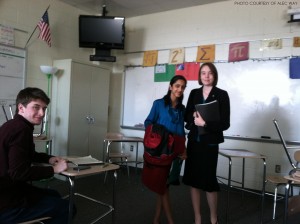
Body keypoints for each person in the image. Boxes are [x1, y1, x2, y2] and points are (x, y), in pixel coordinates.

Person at [0, 87, 69, 224]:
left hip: (7, 189)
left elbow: (27, 155)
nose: (42, 113)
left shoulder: (13, 125)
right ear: (21, 108)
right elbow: (19, 172)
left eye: (44, 108)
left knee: (54, 194)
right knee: (67, 208)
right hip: (5, 203)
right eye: (36, 107)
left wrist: (48, 158)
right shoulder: (21, 130)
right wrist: (54, 170)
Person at [182, 62, 230, 224]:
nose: (207, 76)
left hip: (209, 144)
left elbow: (225, 123)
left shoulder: (222, 94)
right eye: (203, 73)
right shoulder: (194, 93)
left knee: (209, 182)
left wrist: (205, 124)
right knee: (193, 181)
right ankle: (197, 217)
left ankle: (213, 218)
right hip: (194, 143)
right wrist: (193, 117)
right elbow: (187, 115)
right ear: (200, 76)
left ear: (214, 75)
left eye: (210, 73)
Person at [143, 75, 187, 224]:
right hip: (161, 152)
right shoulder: (158, 104)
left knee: (164, 186)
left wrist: (184, 150)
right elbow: (148, 123)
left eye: (182, 87)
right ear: (170, 87)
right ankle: (170, 221)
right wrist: (158, 136)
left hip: (175, 151)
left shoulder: (182, 109)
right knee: (163, 187)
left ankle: (156, 219)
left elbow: (181, 130)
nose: (179, 89)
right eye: (177, 86)